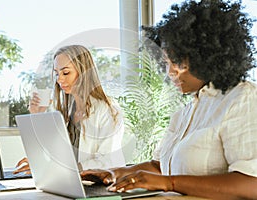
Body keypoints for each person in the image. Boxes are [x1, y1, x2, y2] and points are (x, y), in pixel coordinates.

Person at [80, 0, 257, 199]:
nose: (170, 71)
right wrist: (117, 173)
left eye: (177, 62)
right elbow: (160, 167)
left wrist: (170, 183)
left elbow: (251, 185)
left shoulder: (243, 98)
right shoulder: (186, 111)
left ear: (206, 55)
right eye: (166, 62)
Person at [14, 45, 125, 174]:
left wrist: (67, 168)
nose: (59, 79)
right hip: (67, 182)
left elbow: (109, 161)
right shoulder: (64, 111)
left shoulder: (108, 109)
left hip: (97, 186)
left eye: (65, 72)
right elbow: (53, 155)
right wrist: (37, 115)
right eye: (57, 74)